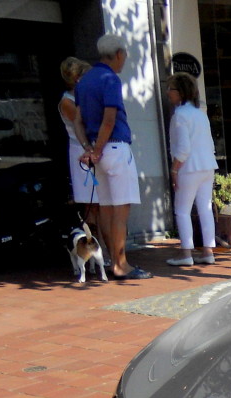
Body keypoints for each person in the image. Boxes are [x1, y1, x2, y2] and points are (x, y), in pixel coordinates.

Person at [77, 33, 149, 280]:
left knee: (106, 210)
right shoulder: (110, 79)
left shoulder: (84, 81)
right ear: (118, 54)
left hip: (97, 150)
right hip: (115, 148)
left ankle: (111, 261)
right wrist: (97, 150)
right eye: (125, 55)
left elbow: (77, 120)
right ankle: (121, 264)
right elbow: (110, 118)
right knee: (120, 211)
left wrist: (89, 148)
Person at [165, 72, 218, 266]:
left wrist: (174, 169)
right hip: (207, 165)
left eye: (171, 89)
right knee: (205, 208)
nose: (168, 92)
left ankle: (186, 253)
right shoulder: (200, 114)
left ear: (180, 92)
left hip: (189, 167)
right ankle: (208, 251)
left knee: (182, 210)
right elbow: (210, 143)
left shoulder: (180, 115)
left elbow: (183, 148)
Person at [59, 57, 104, 257]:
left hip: (92, 150)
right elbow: (84, 123)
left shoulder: (81, 98)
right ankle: (94, 248)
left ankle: (103, 246)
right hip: (81, 151)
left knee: (101, 202)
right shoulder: (68, 102)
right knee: (92, 203)